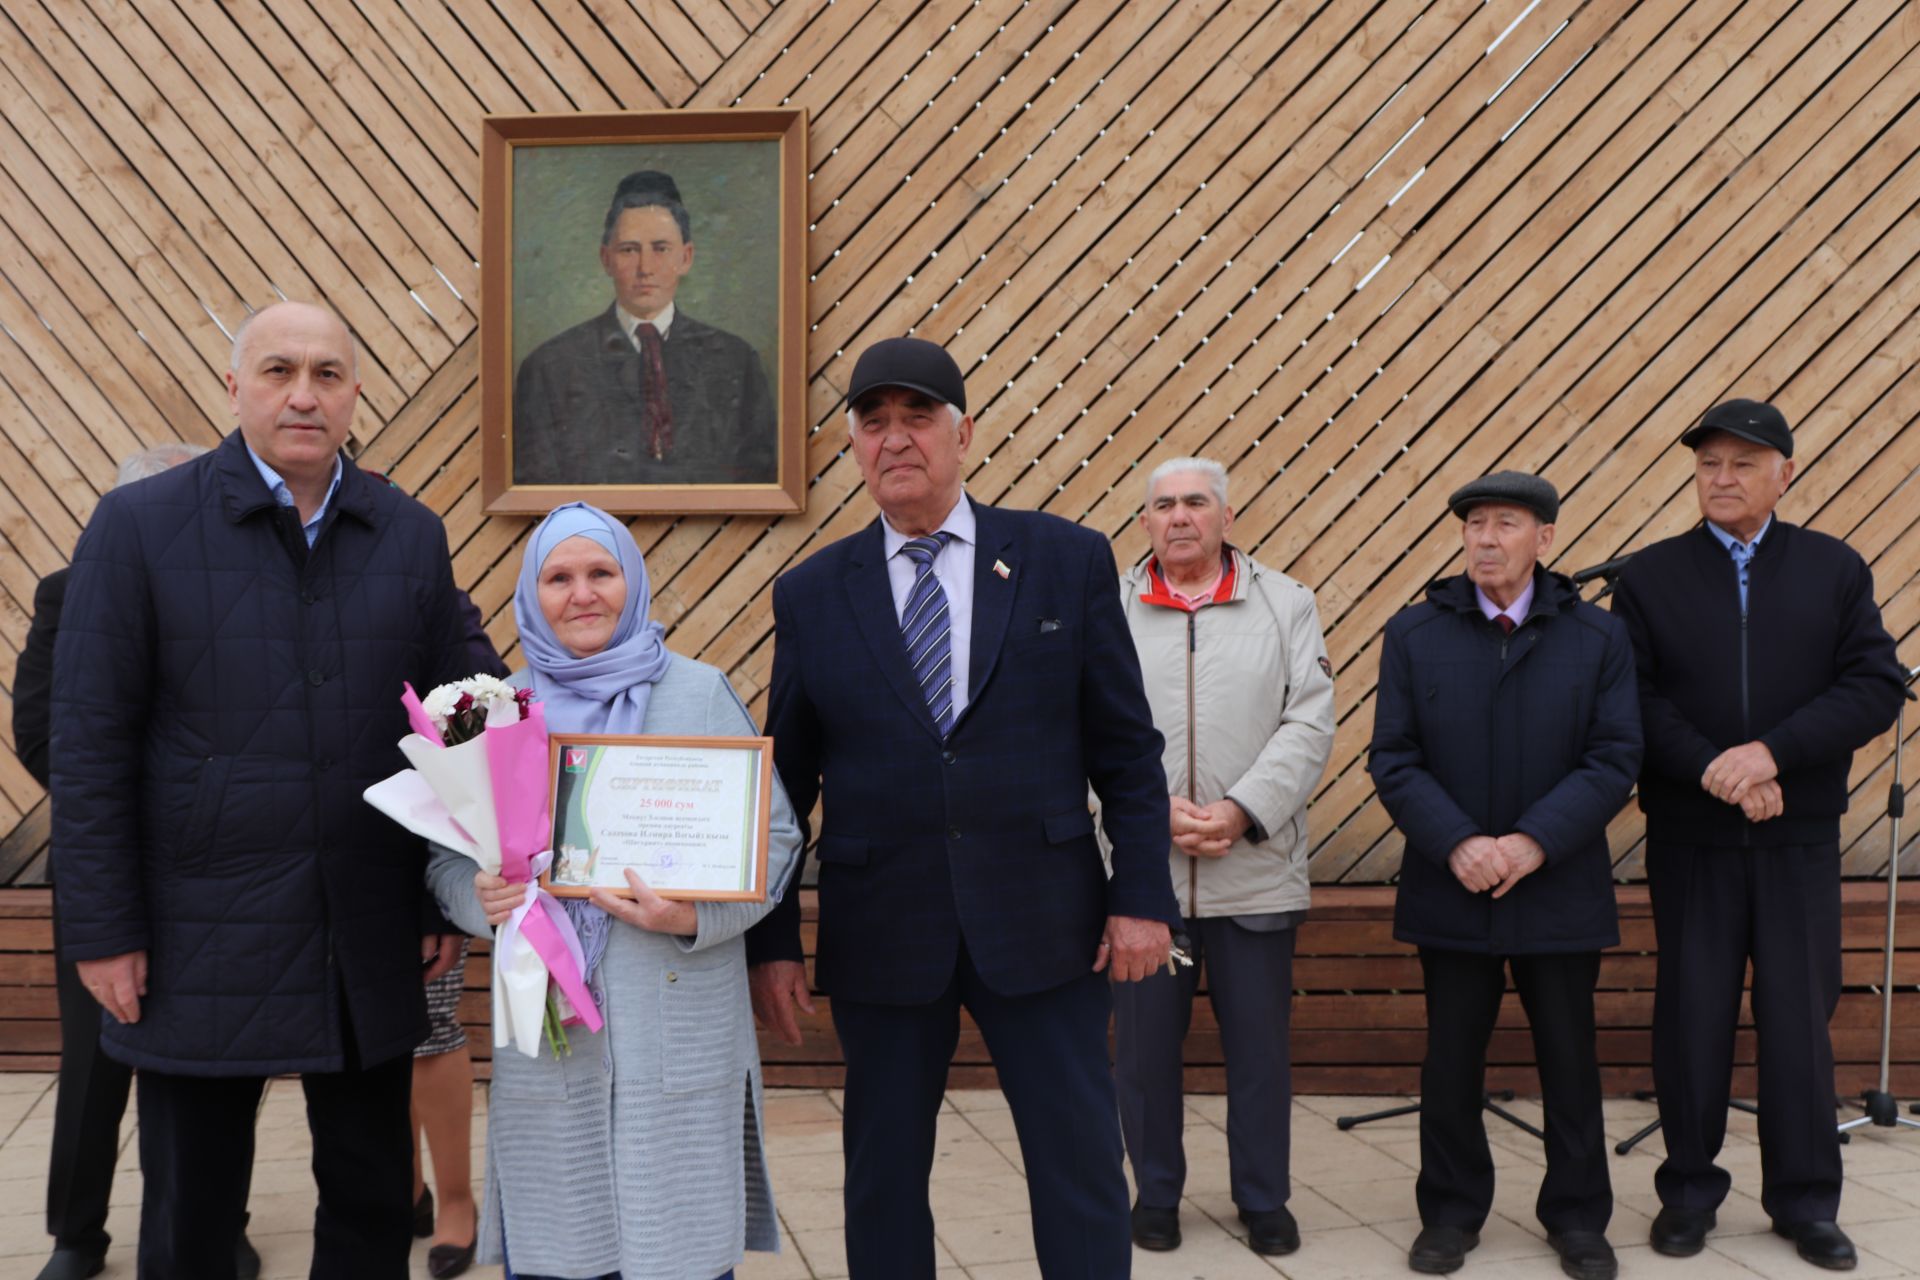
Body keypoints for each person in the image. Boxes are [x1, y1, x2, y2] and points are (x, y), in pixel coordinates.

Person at [48, 300, 486, 1280]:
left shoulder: (408, 532)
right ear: (235, 386)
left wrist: (436, 887)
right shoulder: (138, 525)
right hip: (197, 930)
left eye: (328, 373)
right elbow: (88, 741)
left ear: (355, 392)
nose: (303, 393)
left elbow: (459, 712)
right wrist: (104, 927)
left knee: (373, 1200)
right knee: (193, 1216)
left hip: (363, 926)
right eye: (279, 370)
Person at [745, 337, 1181, 1278]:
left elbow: (1128, 753)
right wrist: (771, 939)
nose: (895, 439)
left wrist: (1142, 896)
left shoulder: (1065, 560)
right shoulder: (815, 593)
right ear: (853, 446)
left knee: (1078, 1166)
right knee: (883, 1177)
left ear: (964, 432)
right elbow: (785, 786)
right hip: (884, 932)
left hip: (1047, 925)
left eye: (917, 417)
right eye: (873, 423)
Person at [426, 501, 803, 1280]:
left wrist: (693, 913)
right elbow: (445, 864)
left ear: (631, 580)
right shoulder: (500, 712)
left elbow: (775, 840)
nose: (583, 594)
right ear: (533, 593)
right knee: (563, 1249)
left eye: (601, 572)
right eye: (559, 578)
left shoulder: (699, 696)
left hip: (677, 1013)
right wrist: (481, 901)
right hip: (551, 1030)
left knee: (682, 1254)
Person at [1611, 400, 1904, 1271]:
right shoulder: (1651, 577)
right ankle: (1689, 1195)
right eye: (1709, 465)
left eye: (1743, 463)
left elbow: (1873, 685)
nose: (1722, 478)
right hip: (1693, 838)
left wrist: (1769, 755)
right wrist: (1716, 770)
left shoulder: (1833, 568)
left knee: (1797, 1023)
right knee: (1691, 1019)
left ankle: (1806, 1203)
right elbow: (1631, 695)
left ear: (1786, 473)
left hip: (1798, 838)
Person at [1368, 472, 1641, 1280]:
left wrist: (1530, 843)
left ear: (1545, 539)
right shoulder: (1414, 633)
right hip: (1451, 883)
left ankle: (1579, 1218)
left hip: (1557, 885)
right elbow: (1393, 756)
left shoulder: (1597, 639)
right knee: (1451, 1059)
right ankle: (1450, 1214)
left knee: (1569, 1056)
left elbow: (1615, 756)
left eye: (1506, 524)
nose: (1486, 539)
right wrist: (1457, 843)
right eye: (1475, 524)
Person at [16, 444, 268, 1280]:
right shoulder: (67, 593)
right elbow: (47, 737)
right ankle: (75, 1235)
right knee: (94, 1061)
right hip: (108, 866)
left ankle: (214, 1221)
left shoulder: (237, 590)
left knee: (219, 1062)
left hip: (215, 871)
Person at [1109, 457, 1335, 1257]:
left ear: (1226, 516)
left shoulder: (1286, 604)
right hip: (1145, 880)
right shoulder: (1109, 609)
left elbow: (1308, 723)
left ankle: (1263, 1198)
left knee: (1261, 1054)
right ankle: (1156, 1195)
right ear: (1145, 523)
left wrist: (1243, 811)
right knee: (1139, 1055)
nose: (1178, 518)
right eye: (1163, 505)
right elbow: (1076, 729)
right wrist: (1143, 813)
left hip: (1256, 871)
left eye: (1195, 503)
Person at [513, 170, 777, 487]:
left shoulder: (736, 362)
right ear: (605, 258)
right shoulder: (550, 368)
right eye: (629, 249)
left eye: (661, 248)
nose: (645, 268)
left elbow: (760, 479)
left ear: (686, 257)